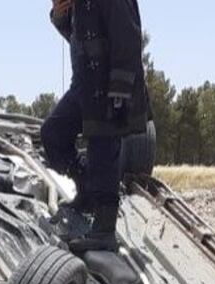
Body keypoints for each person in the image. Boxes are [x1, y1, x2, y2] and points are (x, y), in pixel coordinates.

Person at [42, 0, 149, 253]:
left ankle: (104, 230)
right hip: (84, 85)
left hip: (109, 86)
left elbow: (128, 38)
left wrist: (120, 91)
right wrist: (59, 15)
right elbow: (75, 36)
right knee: (53, 133)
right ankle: (87, 190)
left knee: (103, 151)